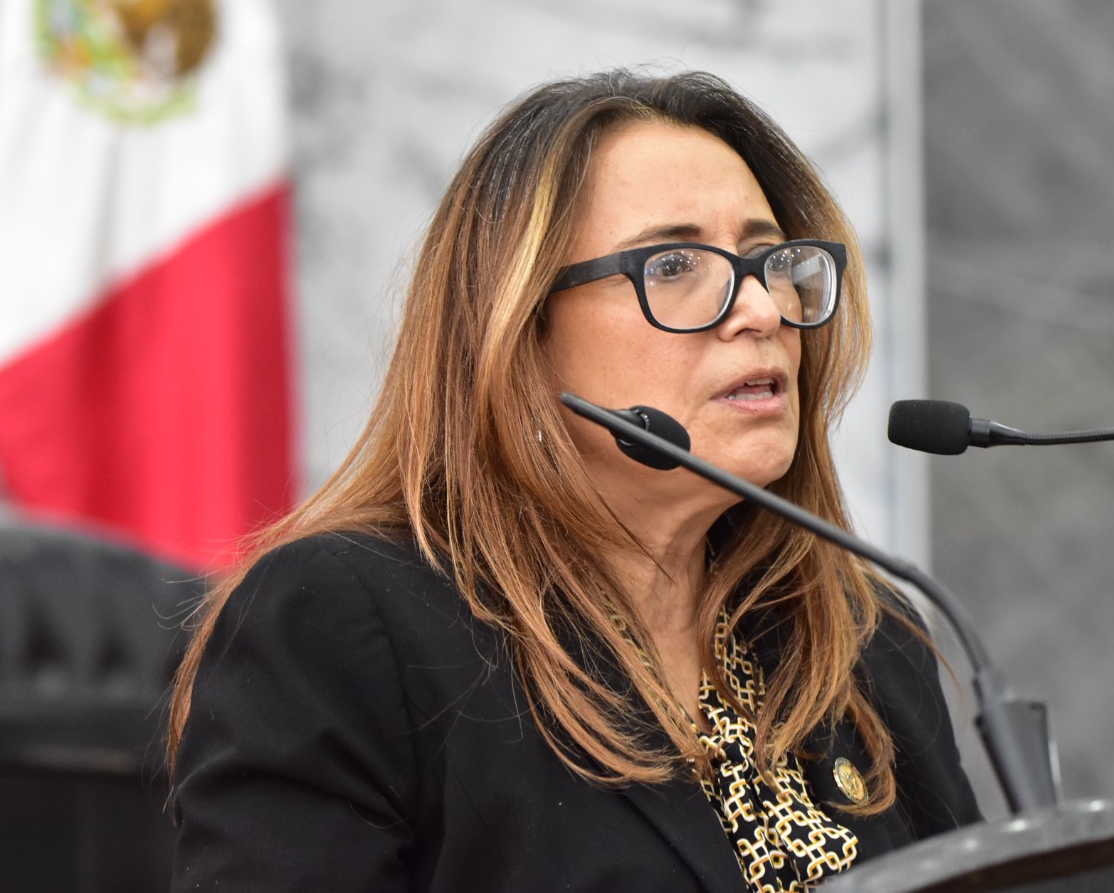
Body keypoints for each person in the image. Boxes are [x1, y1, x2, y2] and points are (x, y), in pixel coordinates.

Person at [168, 69, 980, 892]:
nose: (764, 310)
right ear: (521, 331)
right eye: (675, 264)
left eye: (772, 261)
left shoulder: (864, 637)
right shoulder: (346, 624)